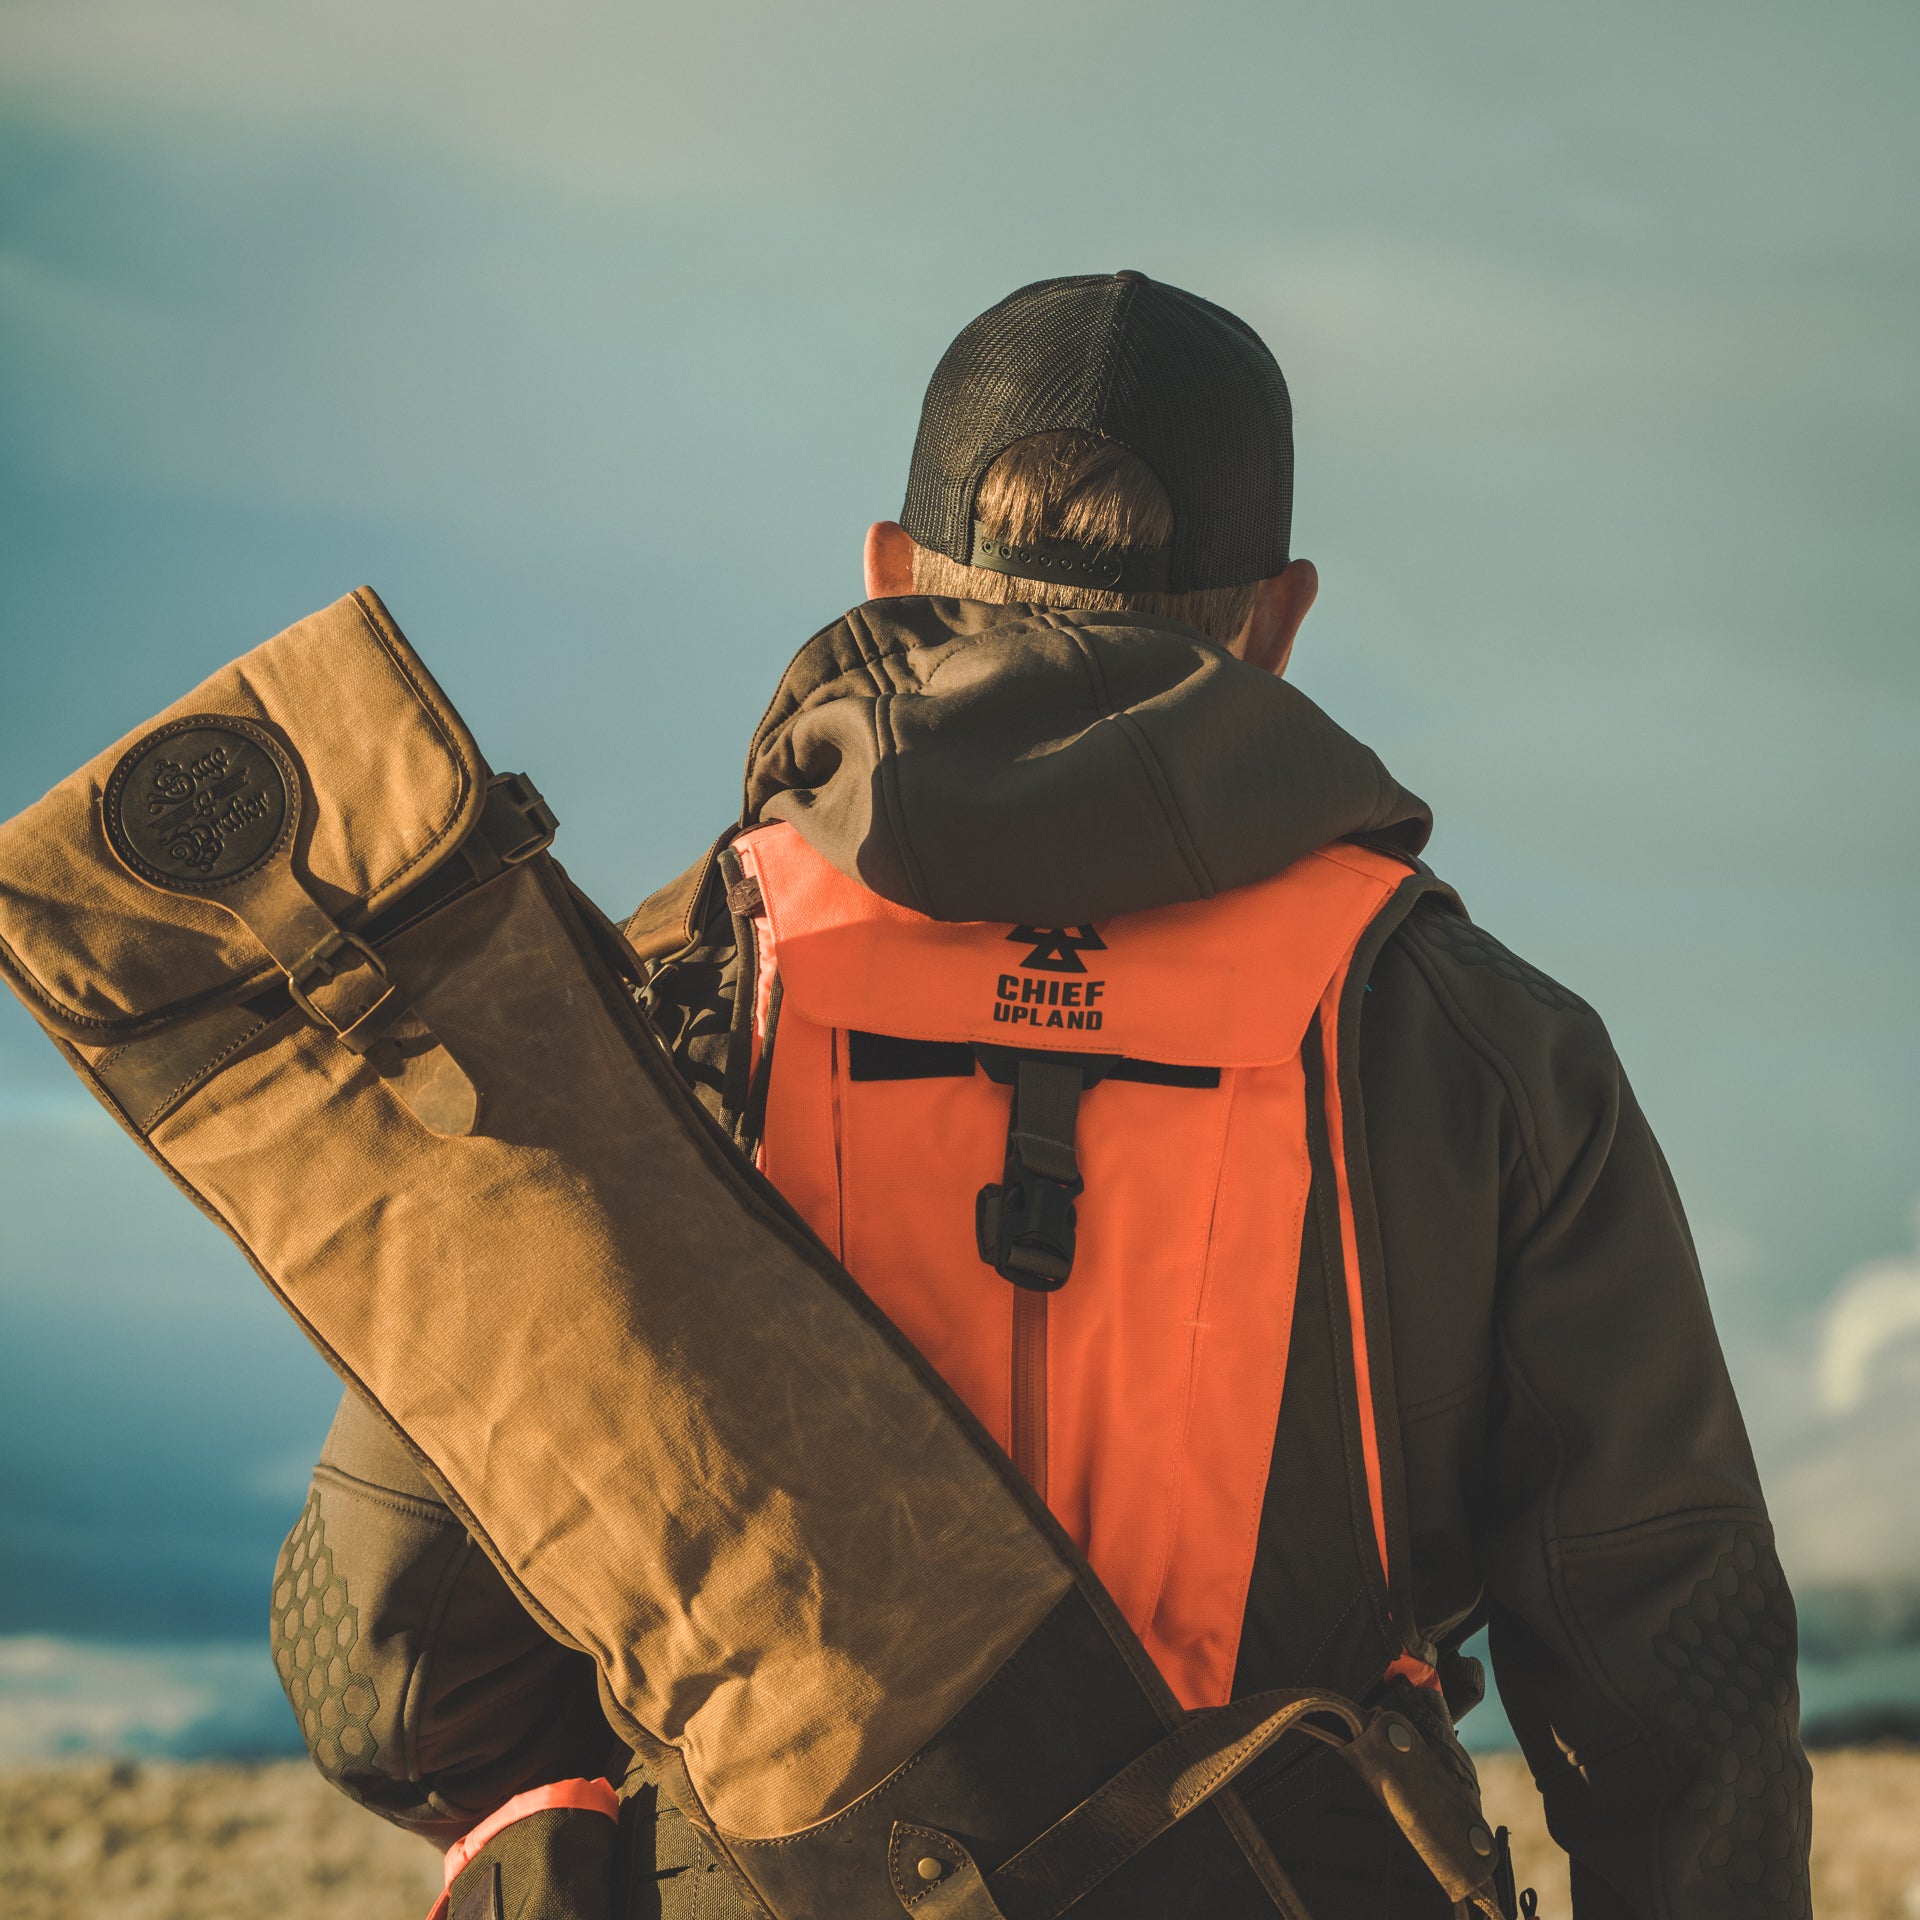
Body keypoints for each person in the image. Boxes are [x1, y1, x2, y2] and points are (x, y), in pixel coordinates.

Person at [273, 273, 1811, 1919]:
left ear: (886, 570)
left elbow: (384, 1652)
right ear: (1280, 617)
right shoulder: (1484, 1043)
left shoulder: (656, 998)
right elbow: (1681, 1677)